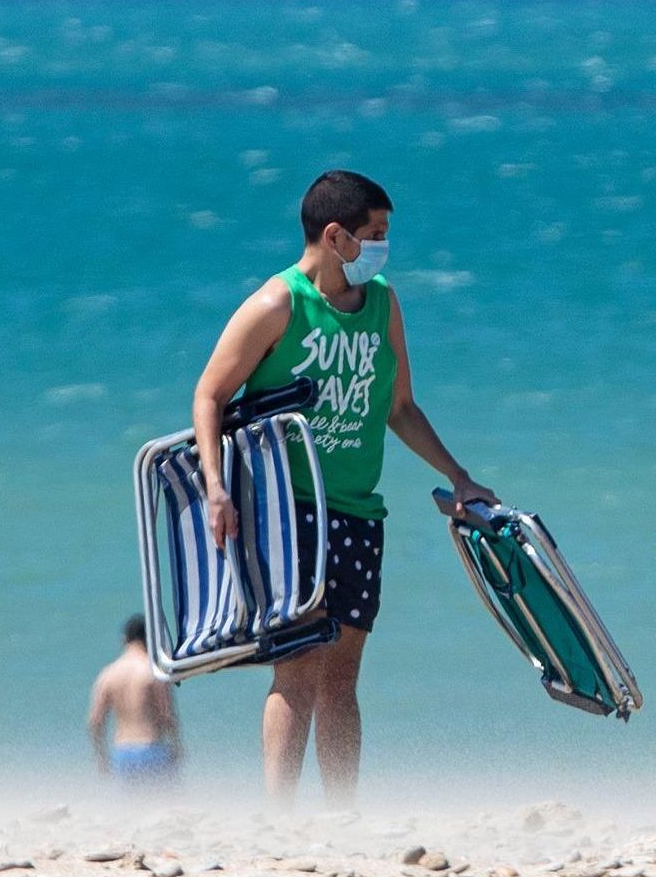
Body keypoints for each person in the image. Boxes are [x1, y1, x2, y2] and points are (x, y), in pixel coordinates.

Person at [191, 170, 495, 809]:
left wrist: (457, 475)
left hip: (359, 511)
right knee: (297, 667)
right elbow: (210, 395)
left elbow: (400, 406)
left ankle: (341, 818)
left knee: (342, 677)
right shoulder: (280, 303)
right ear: (336, 237)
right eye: (375, 235)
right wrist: (216, 488)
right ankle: (278, 817)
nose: (384, 247)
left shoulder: (382, 302)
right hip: (289, 508)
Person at [88, 614, 182, 786]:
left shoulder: (107, 674)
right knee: (163, 805)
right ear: (149, 639)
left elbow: (95, 722)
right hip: (152, 748)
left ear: (124, 640)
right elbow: (167, 714)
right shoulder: (153, 671)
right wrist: (177, 745)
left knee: (132, 808)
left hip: (122, 753)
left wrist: (102, 758)